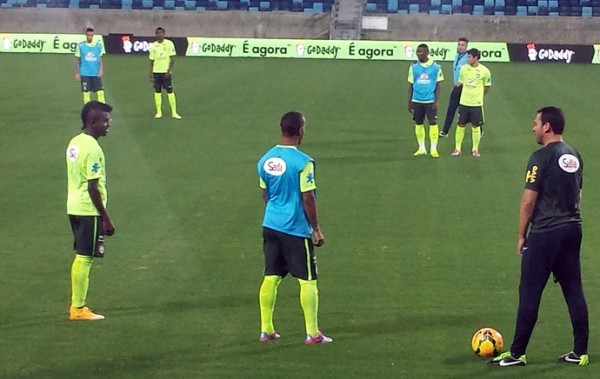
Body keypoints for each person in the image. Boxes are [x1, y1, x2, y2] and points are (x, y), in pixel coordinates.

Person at [490, 107, 588, 367]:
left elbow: (528, 201)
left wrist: (522, 235)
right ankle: (580, 352)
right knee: (574, 289)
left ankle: (517, 353)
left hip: (545, 232)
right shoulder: (574, 155)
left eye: (535, 123)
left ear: (547, 127)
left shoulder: (539, 157)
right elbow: (578, 195)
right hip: (572, 229)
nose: (533, 128)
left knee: (530, 291)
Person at [256, 111, 332, 345]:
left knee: (271, 276)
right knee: (307, 280)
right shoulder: (303, 162)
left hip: (271, 224)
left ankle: (266, 329)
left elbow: (265, 193)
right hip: (295, 229)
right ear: (300, 131)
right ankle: (312, 333)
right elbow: (308, 197)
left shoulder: (265, 159)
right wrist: (315, 228)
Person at [66, 101, 116, 321]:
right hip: (88, 209)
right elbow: (92, 186)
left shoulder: (75, 142)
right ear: (92, 122)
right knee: (85, 258)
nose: (109, 124)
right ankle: (78, 308)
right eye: (105, 120)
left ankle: (78, 306)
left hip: (74, 205)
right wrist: (105, 218)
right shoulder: (93, 149)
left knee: (81, 256)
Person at [451, 48, 491, 157]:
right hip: (464, 102)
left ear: (476, 57)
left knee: (475, 127)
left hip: (476, 104)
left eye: (469, 57)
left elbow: (487, 86)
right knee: (460, 125)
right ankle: (457, 148)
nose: (467, 59)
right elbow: (461, 82)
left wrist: (480, 95)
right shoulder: (464, 69)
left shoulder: (485, 71)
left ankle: (475, 149)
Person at [407, 44, 444, 157]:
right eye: (417, 52)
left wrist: (436, 101)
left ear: (427, 53)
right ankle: (421, 148)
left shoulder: (436, 67)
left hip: (429, 100)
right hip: (417, 100)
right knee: (418, 123)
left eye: (421, 52)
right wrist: (409, 102)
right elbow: (411, 85)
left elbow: (438, 85)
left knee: (433, 123)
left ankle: (433, 148)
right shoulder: (413, 67)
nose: (419, 54)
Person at [148, 27, 182, 119]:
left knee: (170, 91)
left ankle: (174, 112)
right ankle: (159, 112)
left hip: (165, 72)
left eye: (161, 33)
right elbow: (151, 61)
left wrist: (168, 71)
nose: (159, 34)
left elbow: (172, 58)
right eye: (157, 33)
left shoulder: (169, 43)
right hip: (156, 72)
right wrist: (150, 75)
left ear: (164, 34)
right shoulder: (154, 46)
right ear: (155, 34)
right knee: (157, 91)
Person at [439, 37, 468, 138]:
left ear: (466, 46)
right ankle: (445, 131)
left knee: (469, 111)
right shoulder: (457, 56)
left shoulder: (468, 58)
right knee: (451, 109)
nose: (460, 47)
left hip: (465, 88)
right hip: (456, 88)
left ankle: (479, 129)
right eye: (459, 44)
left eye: (462, 45)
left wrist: (462, 82)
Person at [75, 27, 105, 104]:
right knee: (86, 92)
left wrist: (101, 70)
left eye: (91, 35)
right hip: (85, 73)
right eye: (89, 35)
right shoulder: (81, 46)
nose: (90, 37)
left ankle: (102, 107)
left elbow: (100, 59)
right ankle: (87, 107)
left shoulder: (98, 46)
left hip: (95, 72)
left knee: (100, 91)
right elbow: (78, 60)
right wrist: (77, 73)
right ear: (86, 35)